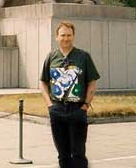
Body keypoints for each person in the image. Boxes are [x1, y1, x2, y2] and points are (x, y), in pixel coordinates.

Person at [40, 21, 100, 168]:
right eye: (62, 35)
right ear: (56, 37)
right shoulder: (51, 57)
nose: (66, 38)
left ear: (73, 36)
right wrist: (49, 105)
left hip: (77, 110)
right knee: (63, 154)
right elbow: (43, 82)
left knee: (78, 153)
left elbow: (92, 82)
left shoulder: (83, 57)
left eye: (69, 35)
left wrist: (85, 106)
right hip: (57, 110)